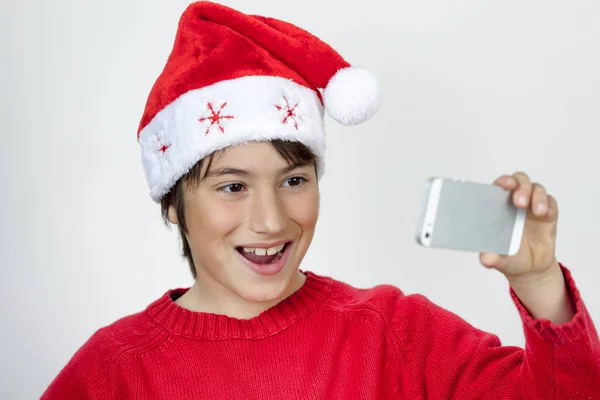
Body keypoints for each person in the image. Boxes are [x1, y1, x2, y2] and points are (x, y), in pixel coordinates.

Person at [41, 2, 600, 399]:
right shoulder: (113, 372)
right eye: (233, 186)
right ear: (172, 204)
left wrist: (538, 283)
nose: (271, 220)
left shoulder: (394, 334)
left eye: (293, 181)